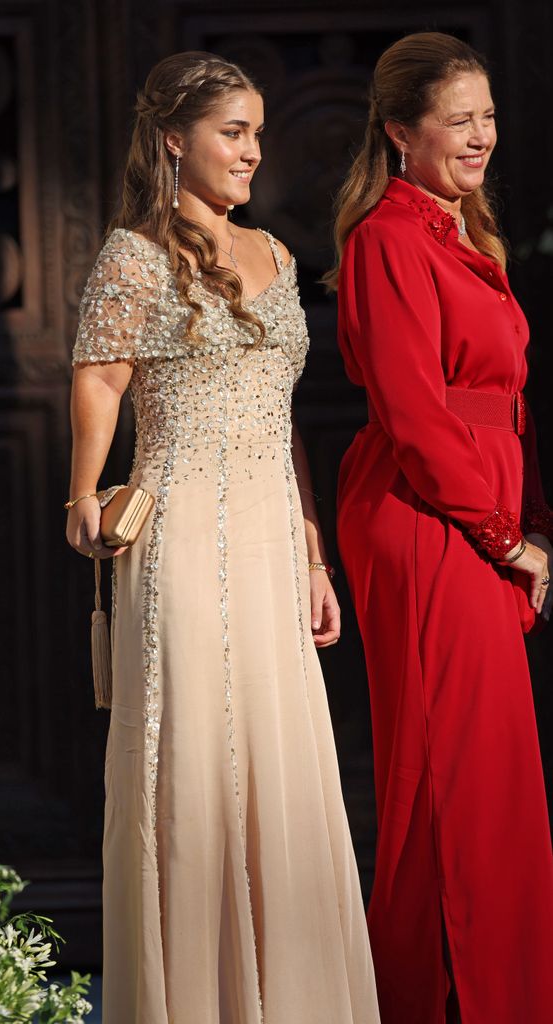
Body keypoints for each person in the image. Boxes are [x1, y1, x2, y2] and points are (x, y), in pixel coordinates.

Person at [66, 51, 379, 1024]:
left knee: (279, 762)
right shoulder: (135, 254)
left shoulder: (278, 257)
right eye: (229, 132)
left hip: (268, 541)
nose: (250, 151)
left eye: (254, 132)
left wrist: (313, 553)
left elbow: (278, 421)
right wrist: (80, 493)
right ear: (174, 139)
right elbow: (99, 378)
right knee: (197, 757)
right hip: (184, 540)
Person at [327, 30, 553, 1024]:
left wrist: (524, 515)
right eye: (456, 120)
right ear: (399, 133)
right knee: (443, 788)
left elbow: (503, 400)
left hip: (475, 513)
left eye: (487, 117)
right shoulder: (384, 238)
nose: (478, 137)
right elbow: (417, 418)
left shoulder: (462, 233)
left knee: (490, 786)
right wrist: (505, 534)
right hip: (427, 522)